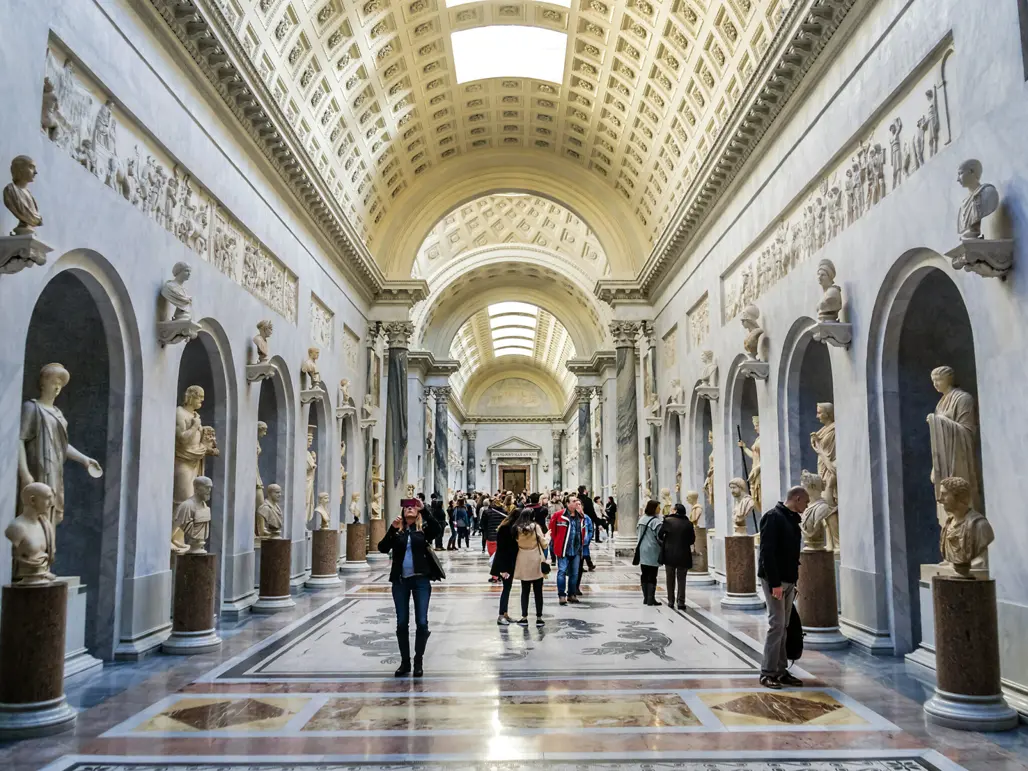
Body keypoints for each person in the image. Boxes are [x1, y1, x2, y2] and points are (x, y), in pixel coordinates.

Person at [378, 498, 444, 678]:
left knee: (421, 622)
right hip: (401, 582)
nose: (409, 508)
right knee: (402, 622)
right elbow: (382, 547)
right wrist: (392, 529)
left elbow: (438, 529)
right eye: (406, 507)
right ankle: (405, 662)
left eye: (412, 507)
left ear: (417, 512)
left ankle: (418, 660)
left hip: (421, 580)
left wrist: (425, 510)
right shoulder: (398, 531)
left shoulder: (423, 530)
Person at [757, 485, 809, 690]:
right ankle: (767, 672)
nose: (807, 506)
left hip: (788, 580)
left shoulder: (791, 519)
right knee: (776, 625)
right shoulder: (773, 517)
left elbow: (791, 554)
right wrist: (775, 583)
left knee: (784, 625)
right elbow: (767, 553)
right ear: (797, 498)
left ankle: (780, 670)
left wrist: (793, 582)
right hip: (775, 581)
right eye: (806, 502)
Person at [513, 507, 550, 626]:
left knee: (525, 590)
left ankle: (524, 617)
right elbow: (544, 544)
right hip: (535, 559)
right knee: (538, 591)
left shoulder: (516, 528)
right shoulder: (535, 527)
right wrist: (548, 536)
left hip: (522, 558)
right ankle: (539, 617)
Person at [549, 495, 586, 605]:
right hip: (563, 549)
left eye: (577, 501)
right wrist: (556, 543)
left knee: (574, 573)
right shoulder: (559, 515)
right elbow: (552, 530)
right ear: (568, 504)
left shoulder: (581, 517)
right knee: (562, 571)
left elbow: (583, 532)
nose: (576, 503)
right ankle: (561, 595)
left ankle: (571, 594)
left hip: (576, 549)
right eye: (574, 501)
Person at [659, 503, 695, 610]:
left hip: (669, 553)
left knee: (670, 578)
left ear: (675, 511)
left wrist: (667, 541)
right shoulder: (688, 523)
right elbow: (692, 540)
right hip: (684, 554)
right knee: (682, 579)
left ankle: (670, 600)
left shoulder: (668, 521)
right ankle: (681, 602)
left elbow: (660, 535)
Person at [489, 506, 519, 625]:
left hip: (508, 563)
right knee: (506, 589)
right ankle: (501, 614)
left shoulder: (509, 527)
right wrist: (503, 569)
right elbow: (502, 549)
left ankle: (505, 613)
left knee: (508, 588)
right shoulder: (506, 529)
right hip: (505, 564)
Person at [636, 499, 664, 606]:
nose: (660, 509)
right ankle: (650, 598)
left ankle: (645, 598)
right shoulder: (656, 522)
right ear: (654, 508)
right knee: (652, 575)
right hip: (652, 550)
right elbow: (660, 537)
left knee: (644, 574)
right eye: (658, 507)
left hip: (642, 550)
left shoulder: (642, 519)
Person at [483, 497, 507, 581]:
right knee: (501, 557)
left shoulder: (487, 512)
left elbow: (482, 525)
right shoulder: (504, 512)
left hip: (491, 537)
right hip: (502, 537)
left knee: (493, 556)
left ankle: (495, 576)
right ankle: (501, 574)